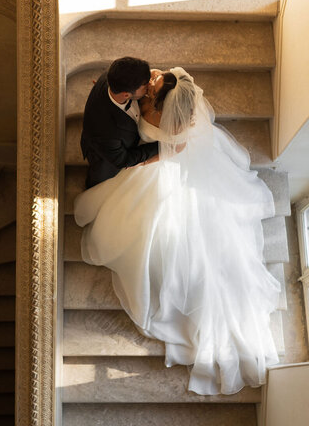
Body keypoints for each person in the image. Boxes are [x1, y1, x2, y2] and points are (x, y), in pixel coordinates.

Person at [74, 67, 280, 396]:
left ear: (158, 103)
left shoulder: (156, 119)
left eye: (151, 88)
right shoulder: (176, 89)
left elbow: (140, 154)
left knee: (152, 233)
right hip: (175, 164)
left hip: (156, 169)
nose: (153, 78)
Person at [81, 56, 159, 189]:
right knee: (99, 185)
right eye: (145, 85)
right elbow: (123, 160)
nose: (149, 86)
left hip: (117, 137)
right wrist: (161, 146)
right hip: (104, 157)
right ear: (126, 95)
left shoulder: (112, 76)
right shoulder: (105, 130)